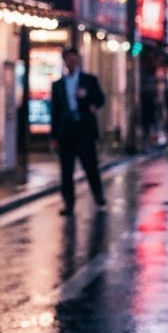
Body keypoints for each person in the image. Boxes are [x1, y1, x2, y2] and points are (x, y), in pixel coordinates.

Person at [50, 47, 106, 214]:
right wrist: (53, 135)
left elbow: (101, 99)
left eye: (73, 58)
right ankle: (68, 204)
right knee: (66, 171)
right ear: (65, 62)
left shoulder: (89, 80)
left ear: (78, 60)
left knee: (91, 166)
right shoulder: (58, 85)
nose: (71, 62)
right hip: (66, 131)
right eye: (68, 59)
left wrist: (87, 98)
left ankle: (98, 196)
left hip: (84, 129)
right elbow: (55, 111)